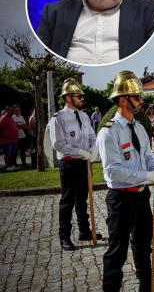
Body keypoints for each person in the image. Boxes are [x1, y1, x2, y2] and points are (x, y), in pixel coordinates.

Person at [96, 71, 154, 292]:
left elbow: (147, 157)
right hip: (121, 198)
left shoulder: (139, 128)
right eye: (136, 97)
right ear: (122, 99)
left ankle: (147, 285)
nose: (141, 100)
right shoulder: (108, 133)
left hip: (140, 195)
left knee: (142, 244)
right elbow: (113, 172)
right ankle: (110, 288)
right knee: (117, 248)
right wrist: (148, 176)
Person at [48, 79, 102, 251]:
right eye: (79, 96)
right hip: (69, 163)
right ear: (68, 98)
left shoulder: (84, 115)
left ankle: (84, 231)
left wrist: (93, 149)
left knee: (82, 198)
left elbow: (92, 135)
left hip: (84, 163)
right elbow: (58, 144)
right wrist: (79, 152)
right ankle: (64, 236)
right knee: (68, 200)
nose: (82, 99)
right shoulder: (59, 118)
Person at [0, 107, 19, 171]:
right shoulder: (4, 118)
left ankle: (12, 165)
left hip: (13, 139)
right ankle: (8, 166)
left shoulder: (10, 117)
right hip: (7, 140)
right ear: (8, 111)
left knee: (12, 154)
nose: (13, 112)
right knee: (8, 154)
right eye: (11, 110)